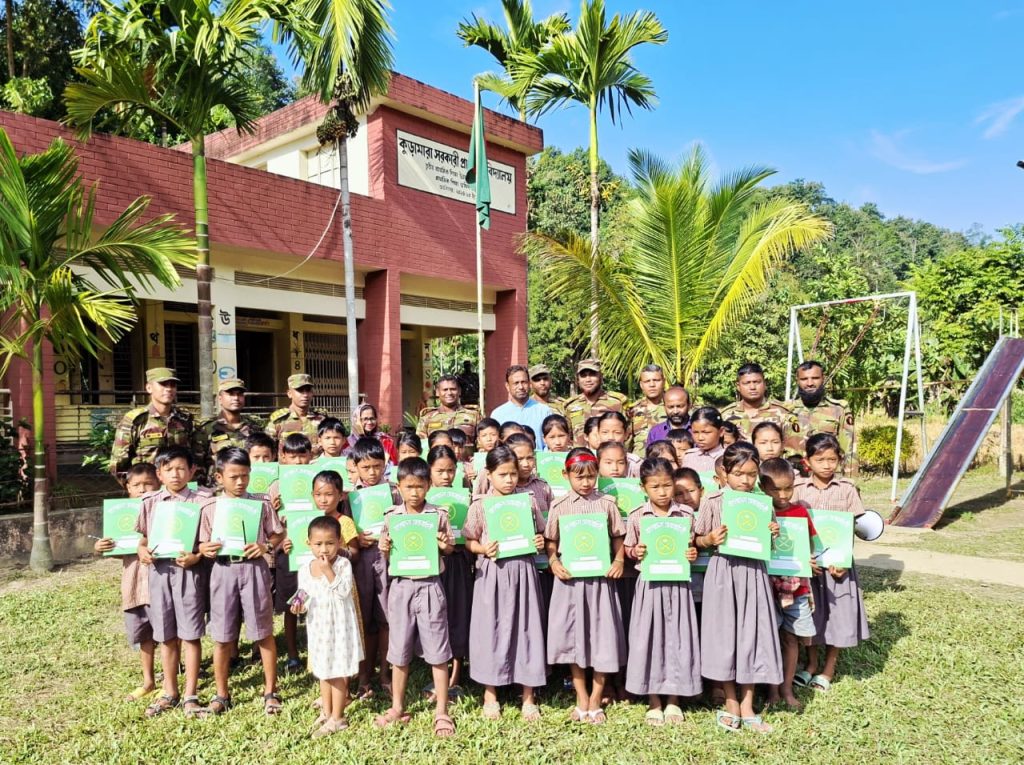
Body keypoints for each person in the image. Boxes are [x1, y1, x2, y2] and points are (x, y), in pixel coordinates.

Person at [694, 442, 782, 734]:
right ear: (725, 473)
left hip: (753, 573)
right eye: (739, 473)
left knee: (751, 635)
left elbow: (768, 542)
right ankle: (731, 702)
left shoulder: (761, 502)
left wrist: (772, 532)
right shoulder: (713, 501)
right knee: (725, 636)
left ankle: (748, 705)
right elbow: (696, 540)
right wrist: (709, 540)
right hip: (723, 573)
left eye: (751, 474)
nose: (745, 480)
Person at [197, 448, 284, 716]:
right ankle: (222, 693)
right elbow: (200, 542)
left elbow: (278, 535)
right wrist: (205, 549)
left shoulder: (261, 503)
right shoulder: (210, 507)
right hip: (224, 570)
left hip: (254, 570)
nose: (240, 482)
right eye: (233, 476)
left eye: (245, 476)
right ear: (219, 476)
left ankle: (271, 691)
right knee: (222, 635)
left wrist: (264, 546)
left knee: (263, 632)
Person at [463, 445, 547, 720]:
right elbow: (469, 540)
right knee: (492, 628)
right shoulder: (480, 505)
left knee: (527, 627)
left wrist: (539, 541)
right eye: (502, 474)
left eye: (513, 474)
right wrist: (482, 548)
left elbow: (541, 535)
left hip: (523, 571)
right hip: (493, 574)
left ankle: (529, 695)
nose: (509, 480)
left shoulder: (529, 500)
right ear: (489, 474)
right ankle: (491, 693)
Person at [376, 457, 457, 738]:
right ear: (398, 487)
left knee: (438, 650)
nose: (414, 493)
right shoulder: (391, 517)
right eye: (409, 487)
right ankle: (397, 706)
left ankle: (442, 711)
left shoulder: (438, 515)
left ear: (428, 485)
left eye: (420, 487)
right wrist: (384, 547)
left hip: (430, 585)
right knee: (399, 650)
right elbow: (386, 551)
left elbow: (449, 549)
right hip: (401, 588)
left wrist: (446, 546)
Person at [545, 448, 627, 724]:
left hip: (600, 582)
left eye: (591, 477)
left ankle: (596, 698)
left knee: (602, 637)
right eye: (579, 477)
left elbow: (618, 538)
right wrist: (554, 560)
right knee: (574, 638)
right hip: (570, 583)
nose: (586, 483)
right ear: (565, 475)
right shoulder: (559, 505)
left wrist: (618, 561)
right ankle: (581, 696)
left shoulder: (607, 503)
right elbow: (551, 541)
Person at [624, 458, 701, 725]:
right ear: (643, 487)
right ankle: (654, 700)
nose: (662, 492)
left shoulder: (686, 516)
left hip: (678, 587)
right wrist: (636, 552)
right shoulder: (637, 516)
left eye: (667, 485)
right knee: (651, 638)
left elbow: (694, 548)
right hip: (650, 587)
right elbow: (628, 548)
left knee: (678, 638)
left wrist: (692, 552)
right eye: (655, 486)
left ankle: (674, 700)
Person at [793, 434, 870, 693]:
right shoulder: (798, 489)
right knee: (811, 613)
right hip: (810, 565)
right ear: (807, 461)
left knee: (838, 615)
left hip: (838, 567)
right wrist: (803, 558)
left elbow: (853, 528)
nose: (827, 465)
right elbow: (793, 526)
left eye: (832, 459)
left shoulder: (847, 489)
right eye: (820, 459)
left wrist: (844, 561)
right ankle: (811, 663)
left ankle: (829, 667)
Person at [133, 445, 206, 718]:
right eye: (168, 469)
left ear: (192, 471)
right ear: (159, 473)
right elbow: (142, 538)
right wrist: (142, 551)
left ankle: (190, 694)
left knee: (191, 633)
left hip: (189, 573)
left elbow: (207, 542)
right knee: (165, 634)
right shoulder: (149, 502)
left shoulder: (202, 500)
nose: (175, 474)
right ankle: (169, 690)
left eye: (181, 468)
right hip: (160, 574)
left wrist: (196, 557)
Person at [91, 462, 161, 703]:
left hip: (160, 579)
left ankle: (172, 675)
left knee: (169, 631)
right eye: (136, 485)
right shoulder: (120, 515)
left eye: (148, 484)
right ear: (127, 488)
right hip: (134, 583)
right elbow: (117, 548)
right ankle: (148, 680)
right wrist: (101, 547)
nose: (142, 490)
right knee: (143, 632)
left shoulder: (164, 510)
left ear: (158, 483)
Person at [293, 515, 364, 738]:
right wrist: (298, 605)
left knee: (337, 671)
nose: (324, 549)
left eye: (330, 543)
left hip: (339, 626)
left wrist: (328, 571)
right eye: (318, 544)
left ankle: (338, 717)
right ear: (309, 544)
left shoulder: (343, 564)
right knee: (323, 670)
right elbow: (303, 593)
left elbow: (343, 591)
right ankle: (326, 711)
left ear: (340, 541)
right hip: (318, 625)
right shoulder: (305, 567)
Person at [759, 458, 818, 710]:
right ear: (762, 487)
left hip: (797, 588)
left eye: (788, 489)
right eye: (775, 490)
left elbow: (813, 547)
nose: (782, 496)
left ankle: (787, 688)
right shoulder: (757, 513)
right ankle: (772, 690)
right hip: (766, 588)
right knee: (771, 637)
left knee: (791, 639)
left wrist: (813, 562)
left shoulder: (800, 513)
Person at [349, 436, 402, 698]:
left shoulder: (394, 492)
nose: (372, 472)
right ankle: (363, 674)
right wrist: (356, 539)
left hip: (387, 561)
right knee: (363, 620)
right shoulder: (349, 496)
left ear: (385, 465)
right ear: (355, 466)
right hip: (360, 564)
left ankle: (384, 672)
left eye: (377, 466)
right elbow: (344, 530)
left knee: (385, 619)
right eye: (366, 467)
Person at [428, 445, 472, 696]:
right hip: (432, 565)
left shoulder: (465, 496)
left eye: (451, 470)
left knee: (457, 616)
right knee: (436, 619)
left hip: (458, 562)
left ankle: (455, 676)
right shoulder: (423, 497)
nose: (446, 476)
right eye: (440, 471)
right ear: (429, 471)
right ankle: (437, 674)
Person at [269, 433, 314, 674]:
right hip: (289, 550)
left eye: (302, 455)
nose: (298, 461)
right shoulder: (276, 486)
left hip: (316, 552)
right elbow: (270, 525)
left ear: (311, 455)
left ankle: (314, 652)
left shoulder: (318, 479)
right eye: (292, 456)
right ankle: (293, 654)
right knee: (290, 603)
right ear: (283, 457)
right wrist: (274, 510)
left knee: (315, 601)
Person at [109, 367, 200, 484]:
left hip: (180, 488)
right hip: (149, 488)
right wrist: (136, 488)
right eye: (163, 384)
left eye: (172, 385)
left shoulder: (185, 419)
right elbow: (118, 464)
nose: (168, 389)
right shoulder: (136, 420)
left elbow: (195, 455)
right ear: (149, 388)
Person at [719, 363, 801, 453]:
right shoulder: (725, 415)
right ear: (738, 386)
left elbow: (794, 452)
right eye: (747, 383)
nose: (752, 387)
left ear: (765, 384)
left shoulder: (783, 413)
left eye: (757, 382)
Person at [786, 360, 855, 463]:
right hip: (795, 476)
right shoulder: (786, 410)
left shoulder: (839, 409)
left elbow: (850, 450)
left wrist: (849, 479)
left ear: (823, 378)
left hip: (828, 474)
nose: (810, 383)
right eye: (804, 379)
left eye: (815, 378)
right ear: (797, 380)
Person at [196, 378, 263, 481]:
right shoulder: (206, 429)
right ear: (220, 398)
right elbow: (198, 465)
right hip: (217, 491)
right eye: (231, 394)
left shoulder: (255, 428)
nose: (236, 398)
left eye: (239, 394)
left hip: (251, 486)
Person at [563, 359, 629, 446]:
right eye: (583, 376)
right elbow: (567, 437)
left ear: (601, 376)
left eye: (592, 374)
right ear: (577, 379)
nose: (588, 379)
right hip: (581, 457)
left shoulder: (617, 402)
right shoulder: (570, 406)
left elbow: (628, 435)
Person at [265, 373, 328, 456]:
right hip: (288, 468)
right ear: (289, 393)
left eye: (308, 390)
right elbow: (267, 449)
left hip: (316, 467)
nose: (305, 395)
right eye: (300, 390)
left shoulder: (321, 420)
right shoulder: (279, 421)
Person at [491, 365, 553, 448]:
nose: (521, 387)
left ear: (529, 384)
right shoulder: (497, 414)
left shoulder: (544, 411)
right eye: (516, 383)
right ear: (507, 386)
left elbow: (550, 443)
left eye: (524, 382)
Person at [416, 375, 481, 443]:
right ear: (437, 392)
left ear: (459, 391)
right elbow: (422, 445)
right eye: (445, 390)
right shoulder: (427, 417)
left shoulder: (473, 415)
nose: (449, 393)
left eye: (453, 389)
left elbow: (481, 443)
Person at [627, 365, 667, 456]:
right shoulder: (633, 410)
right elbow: (627, 442)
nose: (652, 385)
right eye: (647, 381)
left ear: (664, 382)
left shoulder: (673, 406)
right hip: (639, 464)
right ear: (641, 385)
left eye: (656, 380)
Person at [682, 407, 726, 473]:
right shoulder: (689, 457)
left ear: (721, 432)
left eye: (706, 432)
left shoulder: (728, 458)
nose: (700, 438)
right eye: (695, 432)